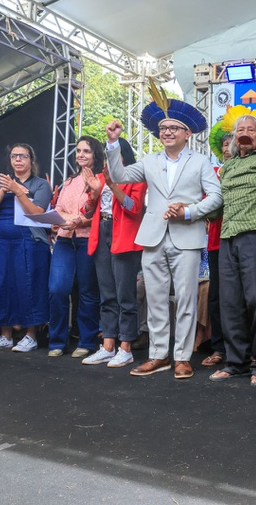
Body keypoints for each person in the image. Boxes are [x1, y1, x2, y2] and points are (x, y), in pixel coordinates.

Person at [105, 82, 222, 379]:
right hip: (153, 236)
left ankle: (182, 357)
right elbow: (118, 176)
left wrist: (189, 211)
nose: (167, 131)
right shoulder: (149, 160)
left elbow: (217, 197)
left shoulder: (201, 162)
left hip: (188, 237)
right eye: (163, 128)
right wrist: (113, 143)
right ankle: (159, 356)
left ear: (187, 133)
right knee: (156, 298)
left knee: (185, 299)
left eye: (174, 127)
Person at [209, 107, 256, 387]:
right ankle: (235, 362)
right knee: (230, 303)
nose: (245, 134)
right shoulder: (227, 165)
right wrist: (192, 210)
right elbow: (220, 203)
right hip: (228, 237)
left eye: (251, 130)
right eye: (240, 130)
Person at [79, 137, 146, 367]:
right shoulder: (98, 178)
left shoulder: (136, 177)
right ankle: (108, 345)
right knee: (107, 294)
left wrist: (112, 184)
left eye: (114, 155)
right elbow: (86, 212)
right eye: (108, 156)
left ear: (123, 155)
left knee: (125, 295)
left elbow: (134, 208)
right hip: (102, 231)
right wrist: (96, 192)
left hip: (124, 235)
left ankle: (125, 347)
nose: (110, 161)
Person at [0, 144, 52, 351]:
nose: (18, 159)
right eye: (14, 156)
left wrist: (18, 191)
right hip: (2, 241)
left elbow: (37, 213)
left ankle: (30, 336)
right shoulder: (1, 182)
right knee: (2, 286)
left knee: (28, 286)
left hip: (30, 241)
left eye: (23, 156)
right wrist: (4, 188)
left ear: (31, 160)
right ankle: (6, 335)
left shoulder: (40, 184)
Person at [46, 136, 102, 358]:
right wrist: (67, 218)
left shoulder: (101, 180)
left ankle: (87, 341)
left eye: (86, 151)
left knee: (88, 291)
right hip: (64, 238)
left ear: (95, 154)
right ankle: (57, 341)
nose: (81, 155)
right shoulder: (69, 181)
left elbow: (99, 213)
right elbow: (58, 208)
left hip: (88, 238)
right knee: (57, 289)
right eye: (78, 151)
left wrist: (79, 220)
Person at [201, 129, 233, 368]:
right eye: (224, 145)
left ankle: (242, 349)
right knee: (216, 297)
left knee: (240, 298)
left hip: (240, 241)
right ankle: (219, 347)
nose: (227, 148)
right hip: (215, 242)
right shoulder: (213, 173)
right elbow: (206, 206)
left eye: (232, 144)